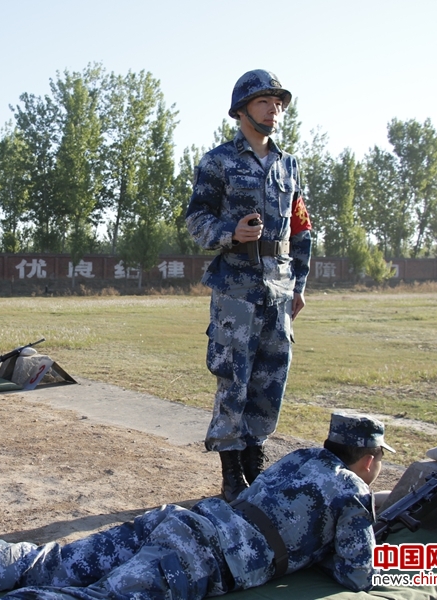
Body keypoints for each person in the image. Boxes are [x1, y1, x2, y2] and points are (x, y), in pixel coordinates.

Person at [0, 413, 391, 598]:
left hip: (179, 520)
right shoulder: (352, 491)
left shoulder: (300, 457)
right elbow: (356, 574)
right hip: (199, 559)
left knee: (53, 561)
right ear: (367, 458)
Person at [185, 69, 313, 501]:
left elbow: (301, 229)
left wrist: (299, 283)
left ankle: (255, 466)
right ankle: (230, 473)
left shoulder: (288, 164)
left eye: (278, 103)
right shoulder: (218, 161)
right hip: (236, 285)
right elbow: (196, 220)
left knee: (271, 377)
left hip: (278, 285)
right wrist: (230, 233)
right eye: (264, 102)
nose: (274, 109)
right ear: (241, 110)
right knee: (233, 375)